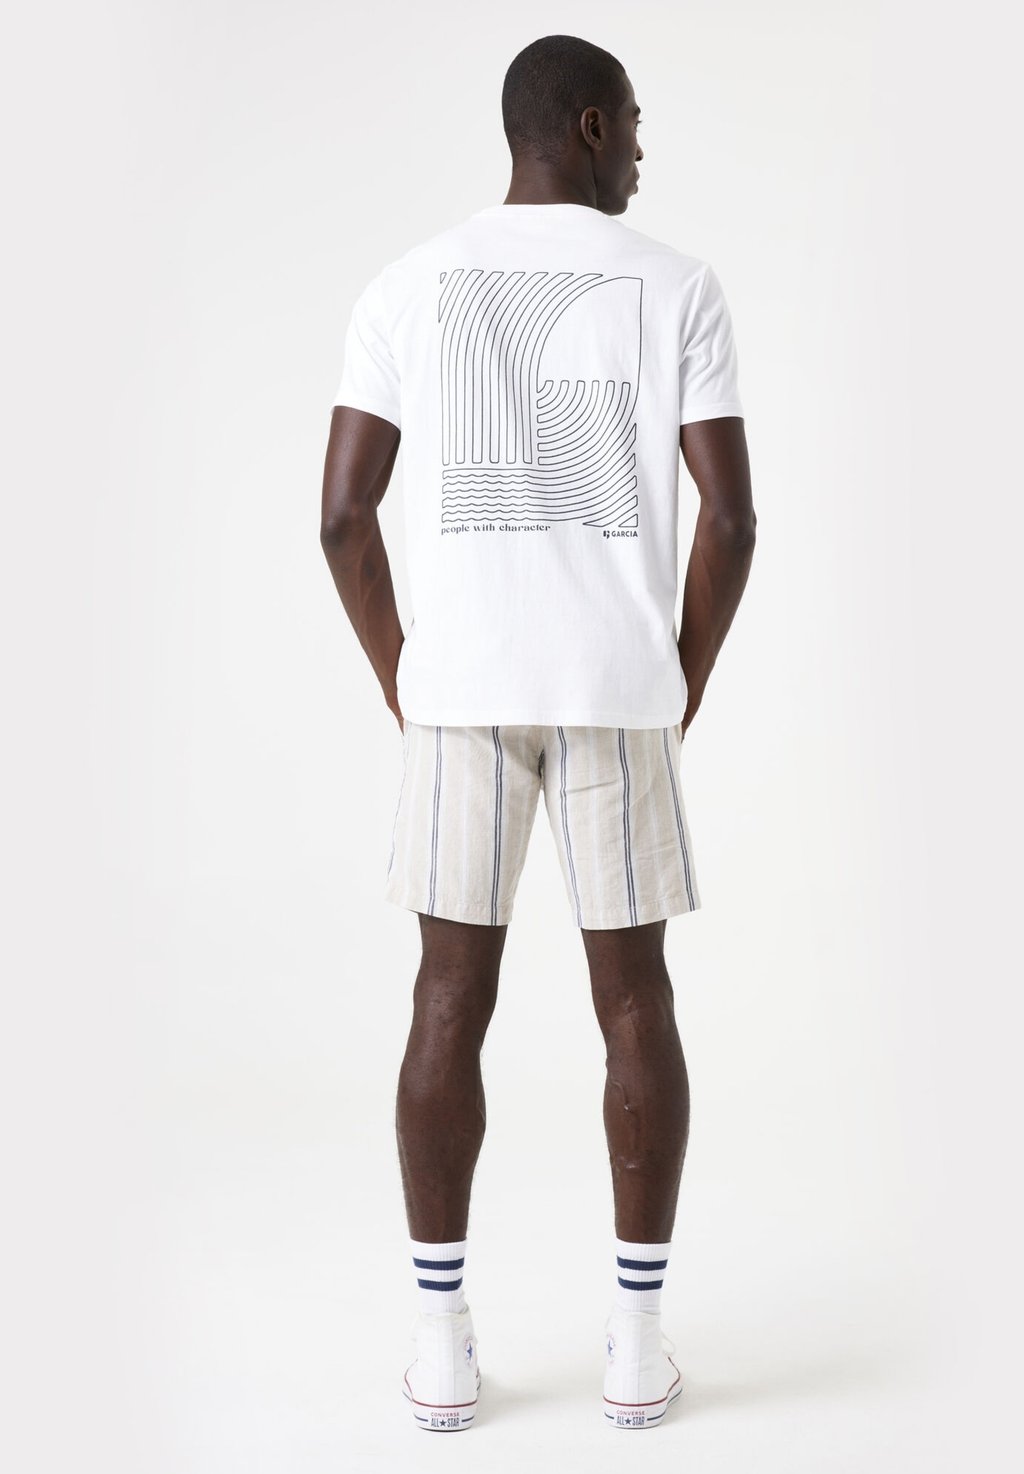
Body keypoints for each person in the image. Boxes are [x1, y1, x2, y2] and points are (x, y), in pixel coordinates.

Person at [320, 32, 756, 1432]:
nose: (643, 147)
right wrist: (681, 674)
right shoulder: (678, 286)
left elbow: (342, 515)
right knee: (637, 1004)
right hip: (617, 689)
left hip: (462, 694)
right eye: (633, 120)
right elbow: (732, 518)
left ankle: (443, 1345)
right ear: (586, 126)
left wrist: (404, 673)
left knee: (447, 1000)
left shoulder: (405, 284)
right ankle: (634, 1347)